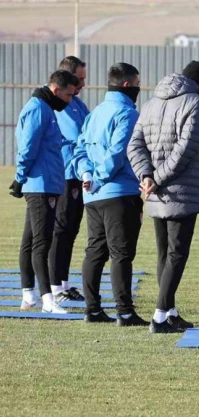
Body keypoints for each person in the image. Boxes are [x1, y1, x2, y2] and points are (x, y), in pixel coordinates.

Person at [128, 61, 199, 333]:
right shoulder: (197, 103)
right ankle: (160, 315)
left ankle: (170, 311)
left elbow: (135, 145)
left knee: (164, 253)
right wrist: (157, 178)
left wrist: (146, 176)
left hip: (154, 192)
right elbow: (186, 149)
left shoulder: (150, 103)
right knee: (177, 253)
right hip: (180, 191)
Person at [73, 63, 144, 325]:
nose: (139, 88)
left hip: (92, 195)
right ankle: (124, 311)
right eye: (137, 83)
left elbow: (79, 149)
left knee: (95, 251)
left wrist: (87, 175)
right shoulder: (127, 113)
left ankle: (92, 309)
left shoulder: (95, 113)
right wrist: (100, 177)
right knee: (121, 253)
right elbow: (119, 151)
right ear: (127, 85)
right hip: (119, 192)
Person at [11, 70, 77, 313]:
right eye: (68, 95)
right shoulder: (39, 109)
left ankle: (29, 296)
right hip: (40, 185)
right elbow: (28, 147)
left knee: (30, 240)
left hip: (45, 183)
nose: (70, 100)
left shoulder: (45, 108)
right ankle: (47, 299)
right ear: (56, 90)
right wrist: (20, 178)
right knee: (42, 242)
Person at [49, 56, 90, 303]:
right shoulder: (61, 104)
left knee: (72, 229)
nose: (83, 83)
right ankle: (54, 286)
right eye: (79, 78)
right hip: (65, 173)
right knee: (61, 229)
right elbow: (78, 134)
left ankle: (63, 282)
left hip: (77, 173)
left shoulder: (77, 103)